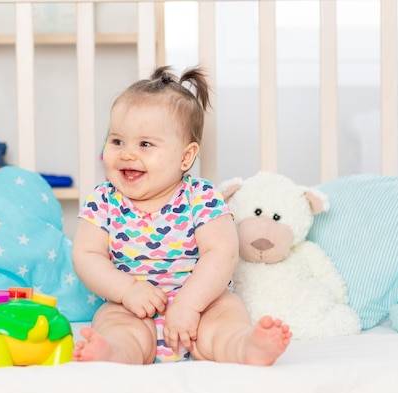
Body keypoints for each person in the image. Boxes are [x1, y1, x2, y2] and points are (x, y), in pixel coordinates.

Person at [71, 66, 292, 365]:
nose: (126, 153)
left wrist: (189, 304)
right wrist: (127, 290)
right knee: (115, 323)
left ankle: (246, 347)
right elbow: (86, 255)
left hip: (202, 305)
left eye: (145, 144)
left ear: (185, 157)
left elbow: (221, 253)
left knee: (225, 319)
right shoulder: (103, 200)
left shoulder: (201, 196)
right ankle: (114, 353)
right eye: (117, 141)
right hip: (132, 306)